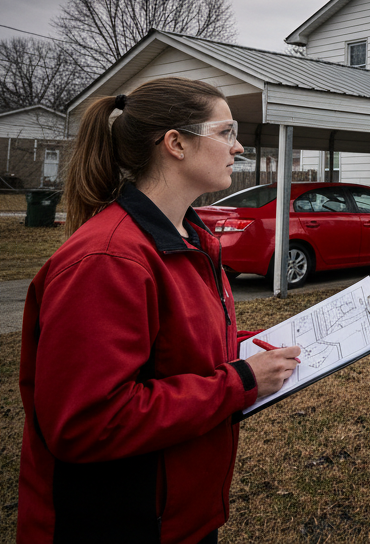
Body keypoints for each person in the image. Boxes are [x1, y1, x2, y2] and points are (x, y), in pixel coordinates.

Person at [17, 77, 302, 544]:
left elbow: (173, 349)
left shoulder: (188, 239)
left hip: (180, 519)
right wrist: (242, 380)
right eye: (225, 132)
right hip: (118, 524)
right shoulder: (108, 261)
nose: (239, 146)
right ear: (176, 144)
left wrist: (251, 347)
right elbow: (88, 423)